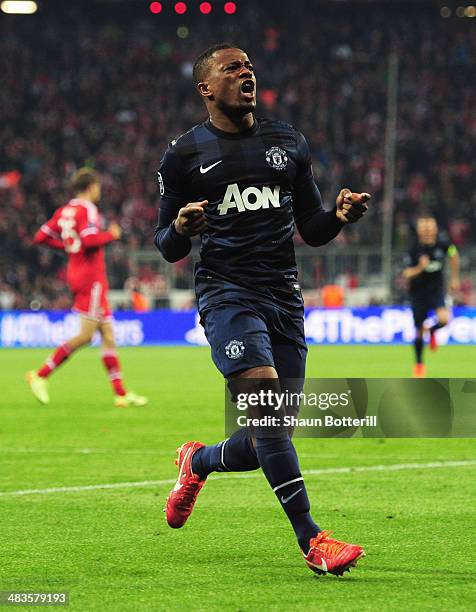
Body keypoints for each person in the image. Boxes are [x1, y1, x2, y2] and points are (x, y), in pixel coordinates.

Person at [154, 43, 370, 576]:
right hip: (227, 294)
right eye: (232, 69)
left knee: (266, 439)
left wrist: (338, 216)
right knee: (269, 416)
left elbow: (312, 229)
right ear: (206, 87)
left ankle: (198, 460)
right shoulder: (183, 154)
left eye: (249, 67)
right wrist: (180, 226)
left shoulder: (288, 142)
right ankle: (312, 539)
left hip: (284, 298)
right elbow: (166, 243)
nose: (246, 74)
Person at [27, 167, 147, 408]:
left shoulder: (65, 210)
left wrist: (69, 248)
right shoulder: (87, 209)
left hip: (82, 273)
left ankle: (121, 394)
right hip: (90, 277)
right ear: (91, 186)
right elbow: (90, 240)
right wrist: (110, 235)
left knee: (108, 335)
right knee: (85, 335)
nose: (99, 191)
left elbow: (41, 236)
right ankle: (40, 375)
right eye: (98, 187)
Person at [402, 214, 460, 378]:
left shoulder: (444, 244)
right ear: (419, 231)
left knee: (444, 319)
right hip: (418, 293)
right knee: (419, 331)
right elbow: (406, 273)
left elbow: (454, 254)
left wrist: (455, 278)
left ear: (435, 229)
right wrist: (420, 268)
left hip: (436, 290)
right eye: (424, 228)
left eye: (430, 228)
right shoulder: (413, 248)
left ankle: (433, 331)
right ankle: (419, 364)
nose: (427, 231)